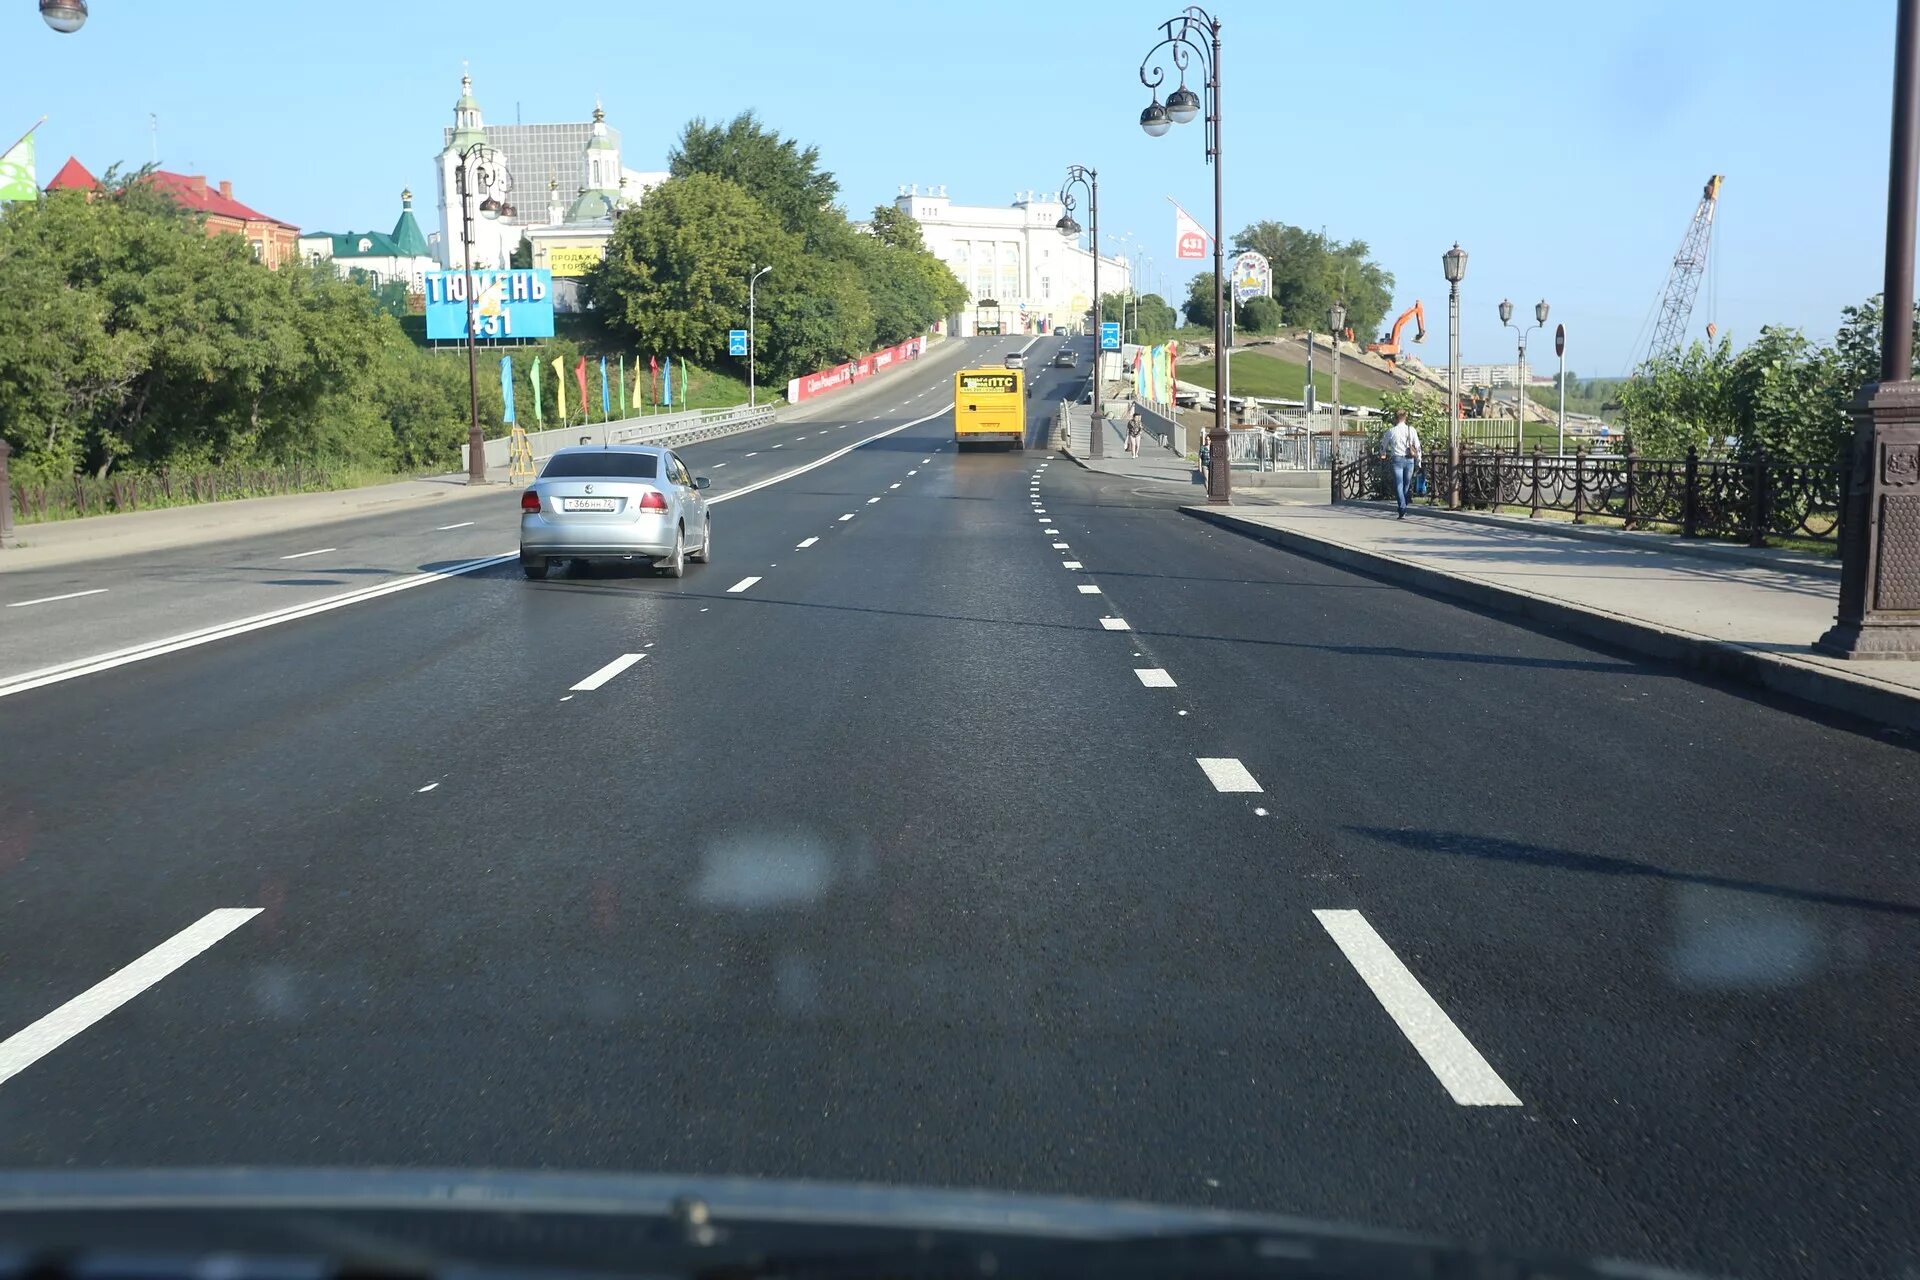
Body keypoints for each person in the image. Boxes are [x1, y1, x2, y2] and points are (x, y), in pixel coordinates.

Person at [1379, 410, 1422, 519]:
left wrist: (1383, 454)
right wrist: (1419, 460)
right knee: (1406, 484)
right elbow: (1417, 446)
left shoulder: (1391, 431)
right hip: (1409, 460)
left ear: (1395, 418)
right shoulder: (1411, 430)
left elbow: (1383, 445)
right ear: (1405, 418)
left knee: (1399, 484)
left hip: (1397, 459)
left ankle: (1402, 507)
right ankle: (1403, 505)